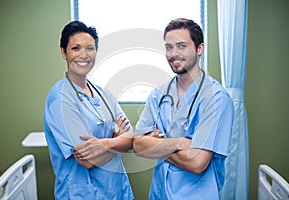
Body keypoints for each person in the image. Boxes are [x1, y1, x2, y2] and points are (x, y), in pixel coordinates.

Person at [133, 18, 234, 200]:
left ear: (199, 48)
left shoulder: (217, 99)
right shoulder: (159, 94)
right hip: (159, 194)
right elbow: (138, 145)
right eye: (169, 47)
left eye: (181, 46)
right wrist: (179, 143)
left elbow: (197, 162)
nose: (173, 54)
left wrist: (156, 145)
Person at [43, 21, 134, 199]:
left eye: (90, 48)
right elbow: (87, 160)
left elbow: (131, 139)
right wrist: (116, 139)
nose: (83, 55)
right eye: (75, 48)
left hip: (117, 190)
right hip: (84, 193)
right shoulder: (61, 99)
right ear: (64, 52)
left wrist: (105, 144)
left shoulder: (103, 93)